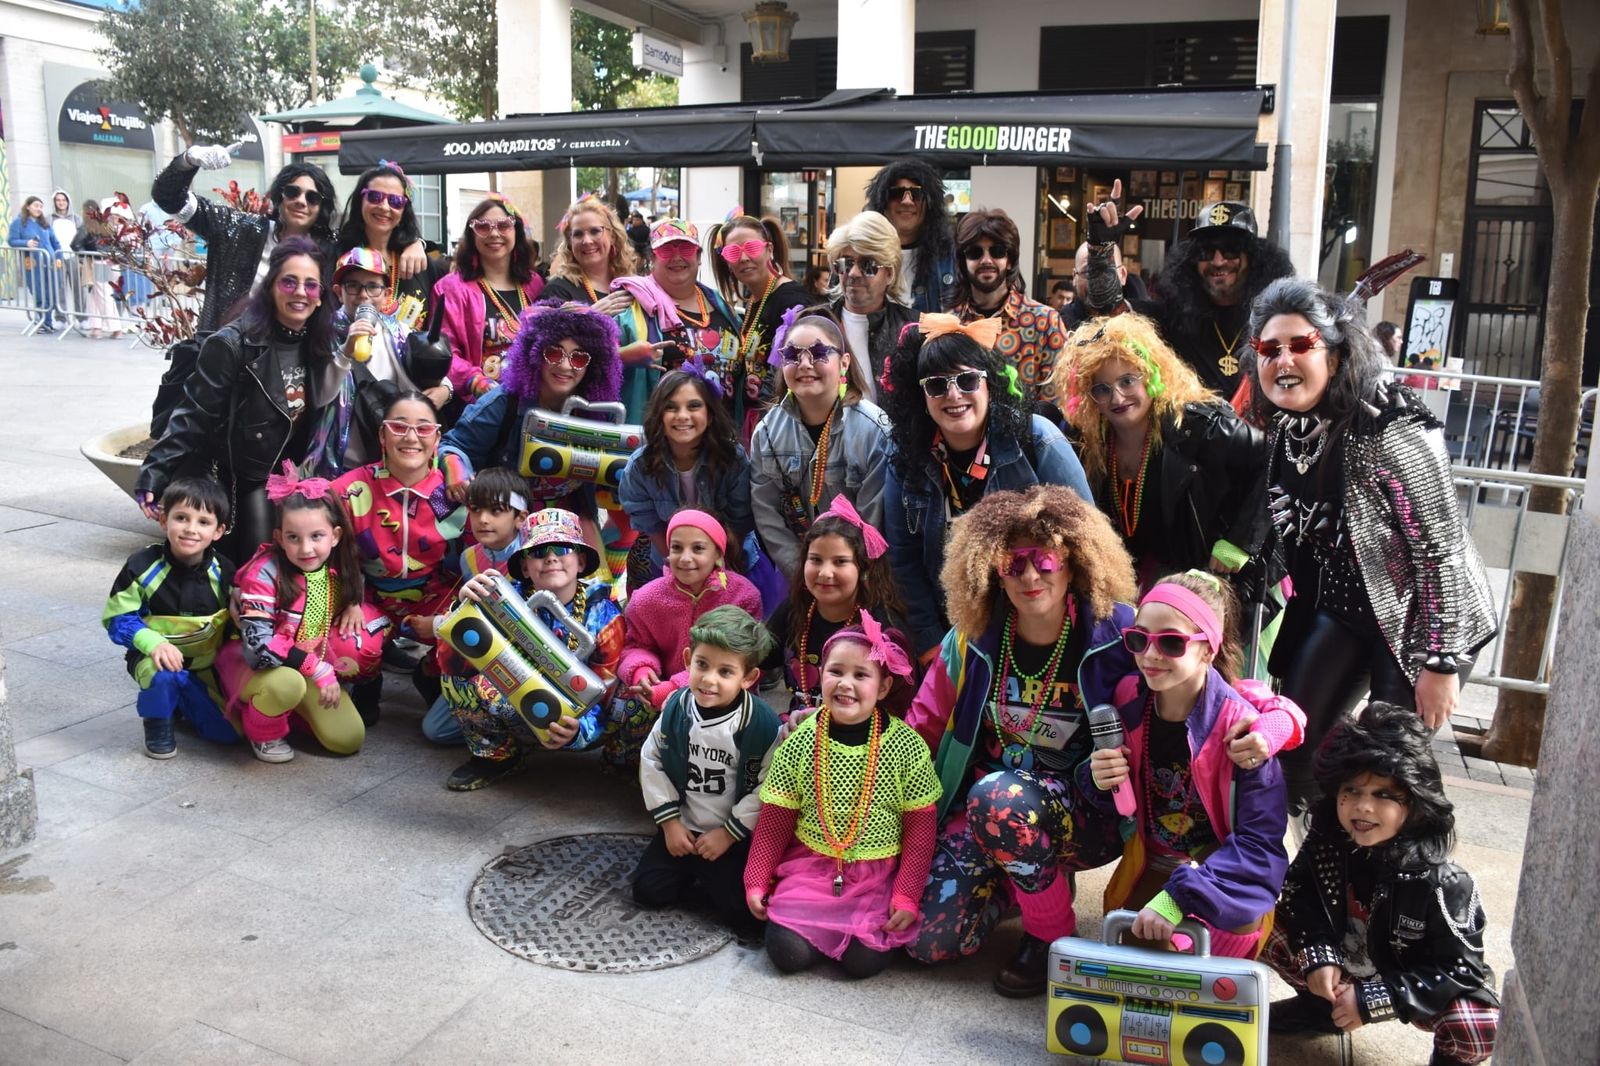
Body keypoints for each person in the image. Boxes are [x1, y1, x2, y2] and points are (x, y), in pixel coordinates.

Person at [1242, 278, 1497, 809]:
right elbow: (1292, 532)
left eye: (1300, 345)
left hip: (1420, 621)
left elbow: (1441, 550)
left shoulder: (1391, 429)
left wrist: (1442, 662)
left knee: (1388, 767)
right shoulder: (1290, 431)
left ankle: (1399, 881)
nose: (1283, 360)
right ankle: (1316, 872)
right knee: (1292, 746)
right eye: (1269, 349)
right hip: (1345, 610)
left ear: (1333, 356)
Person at [905, 485, 1137, 996]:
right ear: (992, 570)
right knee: (926, 939)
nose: (1031, 575)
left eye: (1045, 558)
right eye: (1014, 563)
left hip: (1083, 812)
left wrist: (1274, 718)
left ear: (1073, 563)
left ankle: (1048, 935)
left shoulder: (1117, 635)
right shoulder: (971, 639)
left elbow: (1202, 684)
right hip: (988, 811)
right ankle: (1028, 882)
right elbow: (921, 728)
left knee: (1000, 798)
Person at [1264, 702, 1500, 1065]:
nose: (1363, 807)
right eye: (1352, 790)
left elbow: (1461, 971)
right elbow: (1297, 897)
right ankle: (1319, 1010)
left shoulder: (1444, 881)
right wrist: (1318, 957)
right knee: (1250, 919)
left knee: (1479, 1026)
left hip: (1402, 982)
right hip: (1342, 967)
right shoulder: (1328, 839)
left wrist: (1377, 999)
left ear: (1416, 801)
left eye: (1383, 795)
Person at [1085, 571, 1298, 959]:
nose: (1150, 655)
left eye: (1171, 642)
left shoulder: (1246, 733)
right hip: (1153, 862)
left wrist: (1180, 898)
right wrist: (1095, 777)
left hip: (1220, 872)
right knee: (1139, 967)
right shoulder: (1128, 702)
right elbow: (1108, 806)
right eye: (1139, 638)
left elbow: (1259, 846)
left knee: (1215, 949)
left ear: (1209, 649)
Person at [881, 317, 1093, 658]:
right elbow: (903, 558)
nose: (953, 395)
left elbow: (1088, 546)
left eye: (967, 380)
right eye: (937, 385)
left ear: (989, 384)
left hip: (1041, 625)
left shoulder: (1038, 441)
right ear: (921, 396)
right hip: (950, 632)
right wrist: (930, 640)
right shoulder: (904, 455)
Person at [743, 612, 941, 977]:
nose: (845, 684)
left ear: (882, 688)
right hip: (811, 866)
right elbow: (775, 819)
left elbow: (920, 829)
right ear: (822, 677)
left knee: (864, 963)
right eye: (836, 671)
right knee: (787, 954)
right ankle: (807, 927)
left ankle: (848, 934)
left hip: (875, 874)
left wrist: (907, 894)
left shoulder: (906, 747)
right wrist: (757, 877)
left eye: (861, 675)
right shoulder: (800, 741)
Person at [136, 238, 344, 561]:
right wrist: (154, 471)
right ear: (271, 287)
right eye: (289, 282)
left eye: (311, 285)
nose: (300, 292)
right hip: (250, 478)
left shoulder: (324, 344)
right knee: (257, 567)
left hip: (301, 477)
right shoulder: (233, 344)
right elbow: (193, 414)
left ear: (320, 297)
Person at [1057, 312, 1270, 593]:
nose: (1117, 397)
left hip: (1217, 583)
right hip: (1140, 585)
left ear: (1151, 374)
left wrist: (1240, 541)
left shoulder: (1198, 426)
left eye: (1127, 381)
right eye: (1102, 388)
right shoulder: (1089, 441)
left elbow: (1272, 458)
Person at [439, 508, 623, 791]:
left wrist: (578, 731)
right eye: (538, 552)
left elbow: (606, 691)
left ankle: (622, 763)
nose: (550, 558)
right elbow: (451, 663)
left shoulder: (605, 615)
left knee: (633, 697)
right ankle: (498, 756)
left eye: (562, 549)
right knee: (455, 681)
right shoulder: (500, 599)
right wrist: (462, 611)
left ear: (581, 560)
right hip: (520, 708)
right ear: (525, 567)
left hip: (580, 721)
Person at [214, 464, 388, 762]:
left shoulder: (338, 566)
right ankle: (263, 731)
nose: (306, 548)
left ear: (334, 536)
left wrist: (354, 602)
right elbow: (259, 650)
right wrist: (318, 669)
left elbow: (357, 583)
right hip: (254, 665)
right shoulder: (264, 574)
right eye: (293, 537)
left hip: (302, 665)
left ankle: (290, 711)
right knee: (287, 684)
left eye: (316, 536)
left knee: (348, 739)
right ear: (279, 538)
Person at [634, 604, 780, 939]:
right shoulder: (676, 707)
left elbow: (767, 785)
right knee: (646, 890)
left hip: (729, 836)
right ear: (688, 661)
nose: (709, 680)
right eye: (702, 665)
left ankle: (716, 882)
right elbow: (652, 759)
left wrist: (728, 834)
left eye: (725, 672)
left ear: (749, 677)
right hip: (683, 827)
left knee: (746, 917)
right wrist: (670, 824)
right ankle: (697, 876)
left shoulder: (759, 724)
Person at [438, 300, 623, 555]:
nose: (566, 366)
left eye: (579, 357)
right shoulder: (504, 403)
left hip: (571, 518)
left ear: (593, 364)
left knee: (586, 588)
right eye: (554, 353)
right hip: (508, 522)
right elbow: (452, 445)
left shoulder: (598, 409)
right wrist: (456, 470)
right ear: (534, 354)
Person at [333, 390, 468, 721]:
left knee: (473, 632)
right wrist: (349, 598)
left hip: (434, 595)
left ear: (437, 438)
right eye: (399, 426)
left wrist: (442, 623)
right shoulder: (348, 490)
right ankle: (368, 680)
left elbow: (481, 558)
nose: (411, 437)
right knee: (348, 646)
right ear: (382, 434)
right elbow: (322, 553)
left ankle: (430, 671)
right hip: (369, 597)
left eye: (423, 428)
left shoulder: (455, 493)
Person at [613, 510, 764, 769]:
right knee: (627, 721)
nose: (685, 558)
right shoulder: (646, 599)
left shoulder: (742, 596)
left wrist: (674, 688)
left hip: (725, 689)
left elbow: (738, 661)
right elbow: (636, 644)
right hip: (659, 689)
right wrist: (642, 671)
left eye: (698, 548)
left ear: (718, 554)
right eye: (677, 548)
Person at [102, 477, 239, 759]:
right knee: (163, 677)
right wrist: (154, 644)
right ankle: (158, 720)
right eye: (181, 518)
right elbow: (117, 619)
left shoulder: (225, 572)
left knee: (228, 735)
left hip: (203, 666)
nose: (190, 529)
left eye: (203, 522)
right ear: (164, 520)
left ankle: (180, 699)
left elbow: (233, 627)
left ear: (219, 531)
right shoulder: (141, 566)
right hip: (153, 660)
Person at [749, 307, 891, 581]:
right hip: (799, 579)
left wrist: (842, 575)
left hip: (863, 577)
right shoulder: (766, 433)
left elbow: (875, 521)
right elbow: (767, 516)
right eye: (791, 355)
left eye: (818, 353)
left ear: (845, 362)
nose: (804, 364)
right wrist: (805, 575)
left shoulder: (874, 430)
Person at [151, 147, 351, 332]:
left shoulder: (333, 251)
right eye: (292, 192)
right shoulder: (238, 228)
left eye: (312, 198)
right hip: (227, 358)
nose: (301, 201)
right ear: (280, 196)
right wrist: (188, 160)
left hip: (295, 362)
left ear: (321, 207)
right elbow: (168, 198)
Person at [764, 495, 908, 720]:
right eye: (816, 560)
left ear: (863, 568)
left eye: (840, 561)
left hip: (863, 740)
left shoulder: (882, 626)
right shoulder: (796, 607)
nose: (825, 573)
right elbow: (757, 657)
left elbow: (897, 704)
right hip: (798, 731)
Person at [420, 467, 530, 747]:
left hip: (524, 662)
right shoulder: (470, 557)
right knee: (435, 727)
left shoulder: (531, 559)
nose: (483, 519)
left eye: (496, 511)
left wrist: (436, 625)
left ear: (520, 518)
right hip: (482, 656)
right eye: (476, 509)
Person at [616, 367, 753, 582]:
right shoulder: (640, 466)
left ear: (709, 415)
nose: (682, 416)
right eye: (671, 407)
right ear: (659, 416)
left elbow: (740, 521)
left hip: (730, 560)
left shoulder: (732, 458)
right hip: (669, 561)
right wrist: (678, 565)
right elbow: (650, 524)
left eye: (694, 406)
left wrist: (716, 571)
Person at [323, 247, 449, 474]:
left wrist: (446, 391)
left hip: (389, 462)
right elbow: (319, 396)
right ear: (338, 292)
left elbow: (436, 379)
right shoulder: (322, 332)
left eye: (372, 286)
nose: (363, 295)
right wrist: (346, 351)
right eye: (353, 286)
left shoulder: (399, 332)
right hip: (338, 463)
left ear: (386, 293)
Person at [1151, 200, 1295, 397]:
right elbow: (1115, 315)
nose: (1218, 261)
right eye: (1206, 252)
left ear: (1253, 257)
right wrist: (1102, 253)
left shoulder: (1275, 321)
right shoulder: (1172, 316)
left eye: (1230, 250)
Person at [612, 219, 742, 425]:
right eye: (666, 250)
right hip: (664, 438)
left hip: (722, 438)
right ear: (652, 258)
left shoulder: (719, 304)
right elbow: (591, 363)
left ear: (699, 257)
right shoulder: (631, 307)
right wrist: (623, 357)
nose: (677, 257)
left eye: (686, 249)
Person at [432, 194, 546, 406]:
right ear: (472, 234)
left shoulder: (535, 284)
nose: (494, 233)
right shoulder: (451, 288)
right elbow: (444, 351)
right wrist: (475, 381)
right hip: (478, 407)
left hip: (531, 402)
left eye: (504, 225)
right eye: (483, 227)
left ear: (517, 231)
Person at [948, 209, 1068, 407]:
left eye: (996, 251)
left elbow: (1056, 403)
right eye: (975, 252)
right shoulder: (950, 324)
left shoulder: (1045, 321)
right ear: (963, 262)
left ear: (1010, 259)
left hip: (1028, 436)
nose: (986, 260)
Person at [708, 214, 811, 438]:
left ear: (769, 250)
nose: (743, 258)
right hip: (753, 421)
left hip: (784, 425)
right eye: (733, 252)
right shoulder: (754, 300)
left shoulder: (791, 301)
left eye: (752, 247)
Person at [335, 163, 449, 326]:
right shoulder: (339, 255)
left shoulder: (421, 264)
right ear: (361, 201)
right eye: (375, 197)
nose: (384, 207)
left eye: (395, 201)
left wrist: (417, 242)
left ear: (404, 210)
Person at [824, 211, 917, 394]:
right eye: (846, 264)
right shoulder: (815, 324)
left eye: (868, 265)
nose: (853, 273)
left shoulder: (914, 330)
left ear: (889, 273)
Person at [864, 160, 955, 313]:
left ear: (930, 205)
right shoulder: (861, 256)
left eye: (916, 194)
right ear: (882, 202)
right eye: (897, 193)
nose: (907, 201)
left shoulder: (951, 258)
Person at [542, 196, 638, 312]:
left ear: (612, 236)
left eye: (595, 231)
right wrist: (591, 317)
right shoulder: (556, 291)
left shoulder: (630, 285)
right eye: (578, 234)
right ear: (570, 242)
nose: (587, 241)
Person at [9, 195, 64, 333]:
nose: (39, 209)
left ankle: (48, 322)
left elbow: (55, 242)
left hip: (50, 264)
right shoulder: (18, 223)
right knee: (39, 293)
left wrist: (59, 256)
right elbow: (12, 240)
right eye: (36, 206)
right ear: (28, 206)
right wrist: (25, 243)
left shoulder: (45, 224)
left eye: (41, 206)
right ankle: (41, 322)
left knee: (51, 292)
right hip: (33, 265)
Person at [71, 201, 124, 339]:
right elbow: (118, 244)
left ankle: (114, 328)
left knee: (101, 294)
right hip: (106, 262)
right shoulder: (106, 226)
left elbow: (75, 245)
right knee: (96, 295)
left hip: (96, 263)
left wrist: (84, 258)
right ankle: (97, 327)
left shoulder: (87, 227)